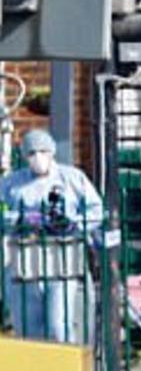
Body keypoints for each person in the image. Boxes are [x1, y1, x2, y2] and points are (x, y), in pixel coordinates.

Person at [0, 129, 103, 343]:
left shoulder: (72, 178)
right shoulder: (12, 183)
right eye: (32, 153)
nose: (38, 157)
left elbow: (96, 211)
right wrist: (20, 219)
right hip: (24, 258)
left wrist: (73, 223)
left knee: (59, 324)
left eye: (43, 151)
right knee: (29, 326)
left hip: (64, 256)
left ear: (52, 151)